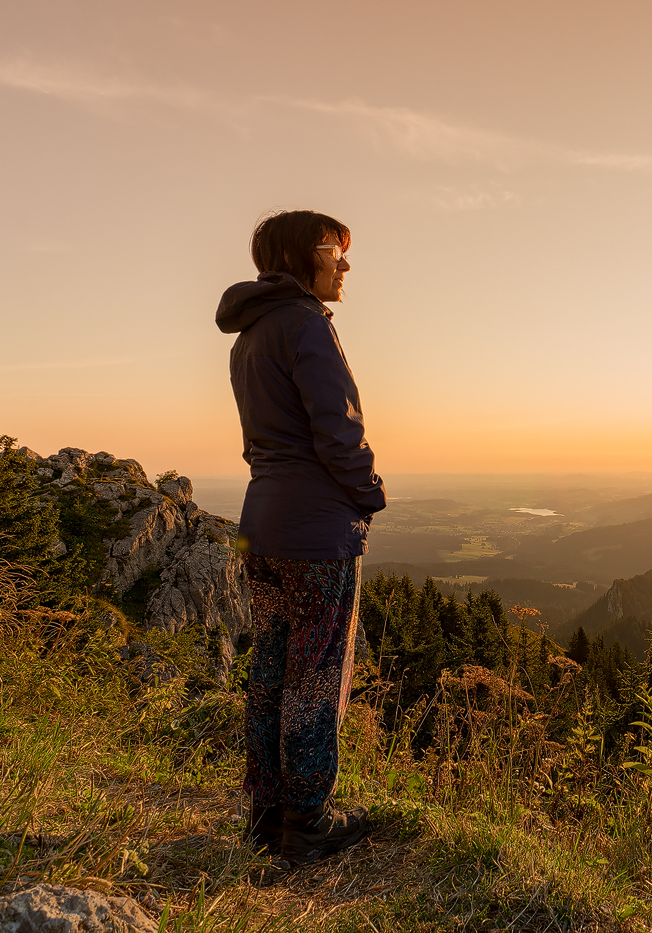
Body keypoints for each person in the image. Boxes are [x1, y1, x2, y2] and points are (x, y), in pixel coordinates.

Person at [215, 210, 387, 864]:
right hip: (318, 529)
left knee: (271, 672)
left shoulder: (250, 334)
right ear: (296, 258)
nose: (343, 264)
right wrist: (369, 494)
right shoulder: (307, 325)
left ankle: (264, 819)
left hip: (266, 525)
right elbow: (337, 430)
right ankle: (307, 826)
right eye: (331, 251)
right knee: (316, 676)